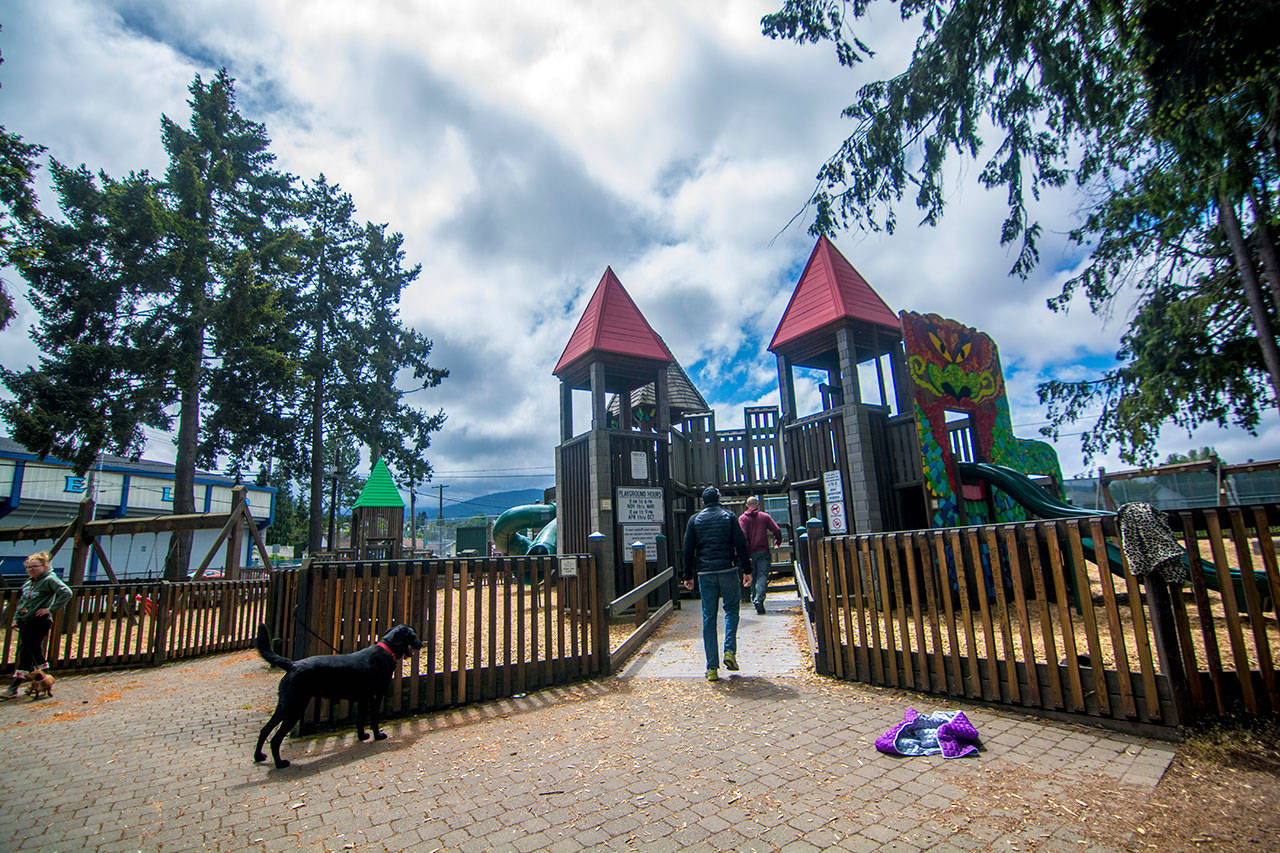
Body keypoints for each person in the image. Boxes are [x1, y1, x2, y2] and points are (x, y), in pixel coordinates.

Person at [682, 487, 751, 682]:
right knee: (731, 610)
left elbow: (688, 549)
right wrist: (746, 570)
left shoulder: (694, 520)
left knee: (709, 617)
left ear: (702, 503)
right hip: (728, 569)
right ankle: (729, 650)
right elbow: (741, 544)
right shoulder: (729, 517)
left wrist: (688, 576)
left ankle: (711, 667)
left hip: (705, 572)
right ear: (719, 500)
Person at [3, 551, 73, 699]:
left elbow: (66, 592)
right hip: (26, 620)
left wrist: (50, 609)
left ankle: (15, 686)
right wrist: (17, 617)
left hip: (39, 621)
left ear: (44, 565)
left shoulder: (49, 579)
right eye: (28, 567)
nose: (31, 570)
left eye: (35, 566)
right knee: (30, 651)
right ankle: (43, 679)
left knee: (28, 650)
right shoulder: (30, 582)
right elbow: (23, 602)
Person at [739, 496, 782, 615]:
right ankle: (759, 599)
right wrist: (777, 542)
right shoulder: (764, 517)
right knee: (762, 576)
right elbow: (777, 530)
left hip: (750, 552)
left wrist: (745, 553)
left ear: (747, 505)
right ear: (757, 504)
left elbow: (742, 536)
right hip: (763, 551)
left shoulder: (742, 519)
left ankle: (755, 599)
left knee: (752, 576)